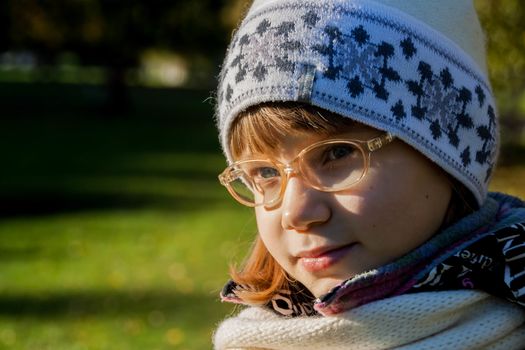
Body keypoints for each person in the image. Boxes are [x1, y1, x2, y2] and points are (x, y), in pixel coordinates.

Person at [212, 0, 525, 348]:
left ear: (447, 154)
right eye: (266, 172)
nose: (295, 213)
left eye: (337, 153)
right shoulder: (257, 340)